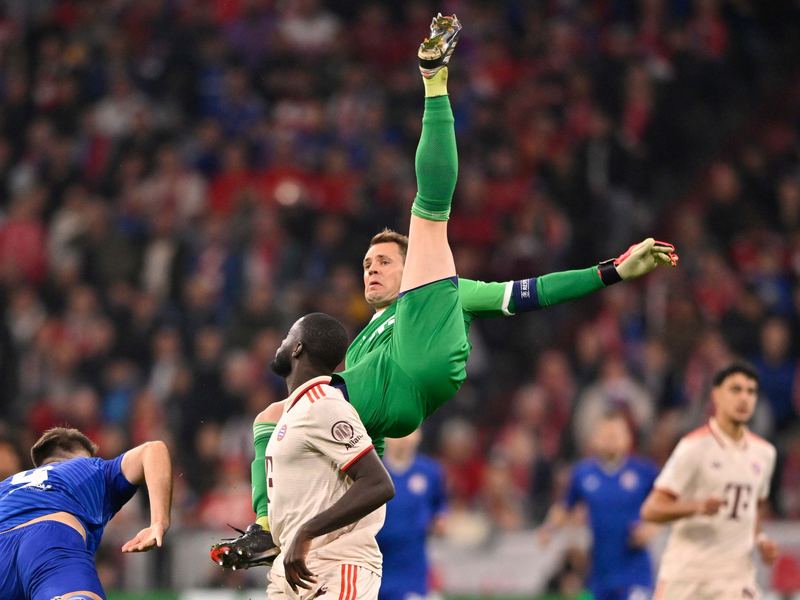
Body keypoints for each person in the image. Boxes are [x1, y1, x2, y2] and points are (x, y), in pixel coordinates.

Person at [243, 12, 680, 542]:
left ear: (414, 267)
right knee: (270, 418)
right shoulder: (358, 348)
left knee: (428, 211)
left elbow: (535, 292)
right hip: (400, 403)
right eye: (366, 263)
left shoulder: (445, 292)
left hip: (426, 354)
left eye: (383, 260)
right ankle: (264, 525)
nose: (371, 267)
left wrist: (611, 272)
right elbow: (363, 438)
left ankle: (435, 81)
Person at [261, 312, 395, 597]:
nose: (281, 342)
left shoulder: (322, 404)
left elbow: (378, 483)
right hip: (293, 571)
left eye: (287, 336)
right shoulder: (295, 411)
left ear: (298, 348)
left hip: (335, 566)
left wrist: (306, 532)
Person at [641, 362, 780, 600]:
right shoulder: (694, 447)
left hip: (735, 578)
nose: (744, 398)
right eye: (735, 390)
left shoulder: (764, 453)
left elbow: (752, 506)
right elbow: (651, 510)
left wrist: (760, 539)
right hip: (688, 576)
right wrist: (695, 507)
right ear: (716, 395)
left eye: (751, 391)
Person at [0, 427, 172, 600]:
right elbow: (153, 450)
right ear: (82, 457)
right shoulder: (92, 467)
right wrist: (159, 522)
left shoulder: (6, 486)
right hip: (49, 539)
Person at [539, 412, 660, 600]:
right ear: (594, 438)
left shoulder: (644, 471)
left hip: (635, 571)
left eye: (615, 434)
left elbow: (666, 503)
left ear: (628, 437)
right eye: (605, 434)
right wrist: (548, 527)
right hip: (600, 572)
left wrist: (652, 528)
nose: (610, 439)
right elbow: (565, 506)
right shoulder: (582, 473)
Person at [376, 431, 448, 600]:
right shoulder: (372, 471)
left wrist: (441, 520)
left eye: (411, 431)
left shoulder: (430, 472)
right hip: (375, 560)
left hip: (412, 566)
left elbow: (440, 504)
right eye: (399, 431)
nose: (404, 438)